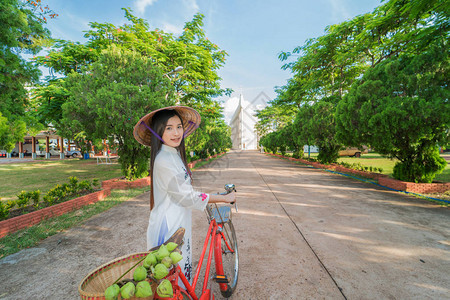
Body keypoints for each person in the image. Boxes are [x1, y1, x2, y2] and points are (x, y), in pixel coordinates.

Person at [133, 106, 236, 283]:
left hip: (179, 221)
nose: (176, 133)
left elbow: (182, 189)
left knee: (179, 274)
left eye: (179, 126)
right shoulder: (164, 160)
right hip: (169, 227)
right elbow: (187, 197)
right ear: (159, 131)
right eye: (169, 128)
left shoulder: (173, 154)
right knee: (170, 281)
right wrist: (224, 198)